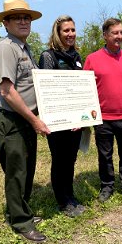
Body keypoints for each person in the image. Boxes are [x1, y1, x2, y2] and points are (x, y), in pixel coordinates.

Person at [0, 0, 51, 242]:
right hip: (11, 121)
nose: (23, 21)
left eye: (26, 17)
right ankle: (21, 222)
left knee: (26, 170)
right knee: (16, 172)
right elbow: (7, 91)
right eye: (17, 17)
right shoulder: (6, 47)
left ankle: (21, 210)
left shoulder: (23, 48)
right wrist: (34, 120)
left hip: (25, 119)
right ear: (6, 23)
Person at [84, 18, 122, 205]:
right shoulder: (92, 59)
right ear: (105, 35)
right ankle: (107, 186)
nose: (119, 36)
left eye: (121, 32)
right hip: (102, 119)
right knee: (105, 155)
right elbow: (84, 87)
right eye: (115, 33)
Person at [38, 15, 85, 217]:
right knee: (60, 159)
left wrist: (81, 118)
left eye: (73, 30)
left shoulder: (77, 57)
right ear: (57, 33)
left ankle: (70, 196)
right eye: (66, 30)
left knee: (71, 160)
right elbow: (48, 92)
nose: (70, 34)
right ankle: (62, 201)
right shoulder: (48, 57)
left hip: (75, 122)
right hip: (57, 122)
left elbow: (81, 91)